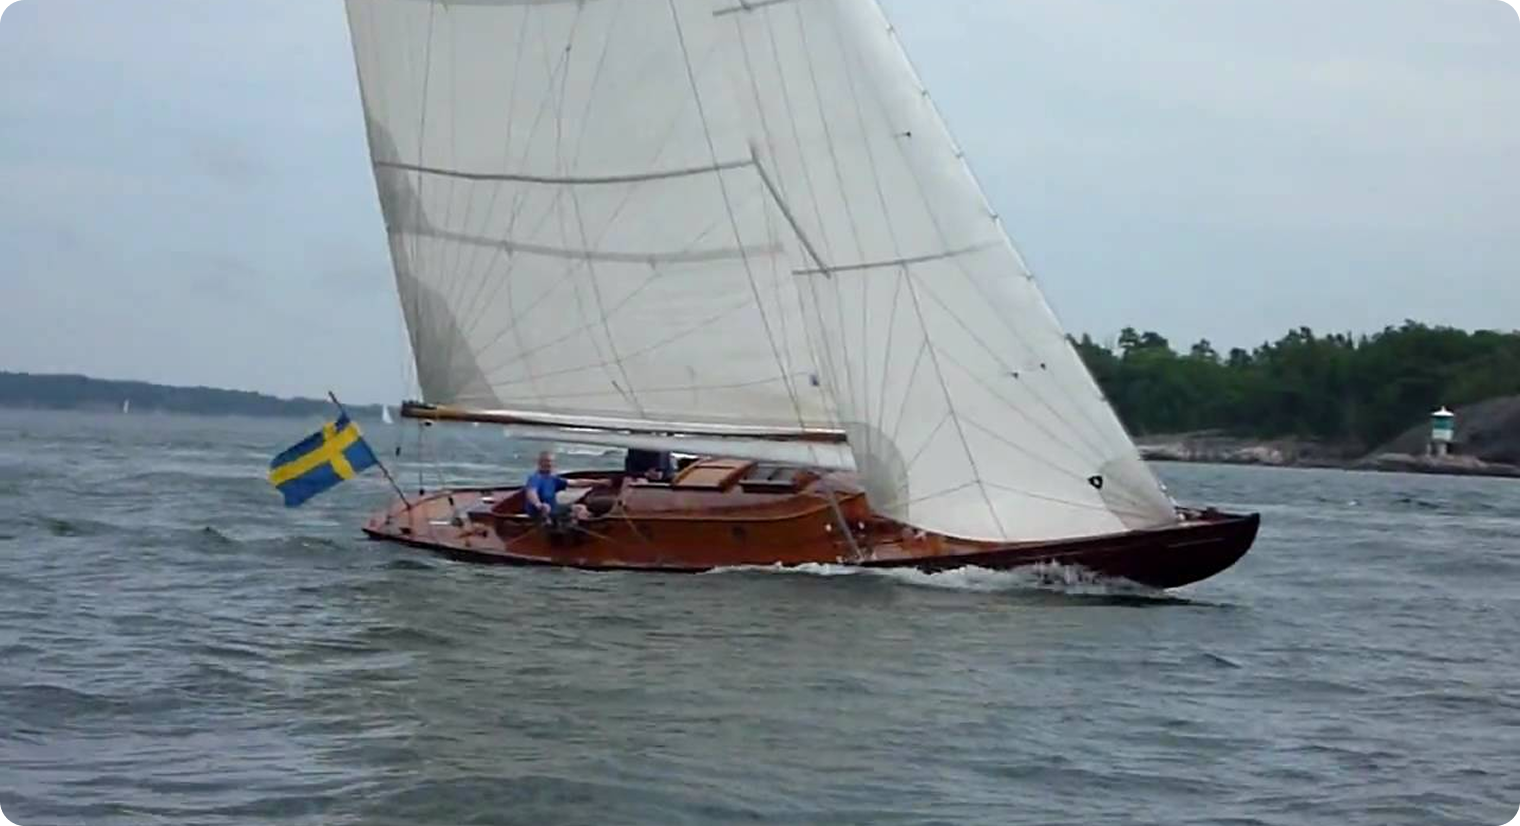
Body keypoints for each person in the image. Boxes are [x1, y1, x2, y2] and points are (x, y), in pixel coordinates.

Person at [523, 450, 569, 520]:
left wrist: (591, 482)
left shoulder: (553, 478)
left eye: (551, 461)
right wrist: (538, 504)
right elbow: (531, 492)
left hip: (553, 509)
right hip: (540, 512)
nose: (549, 464)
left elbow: (575, 482)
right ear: (540, 463)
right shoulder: (535, 478)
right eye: (547, 461)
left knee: (579, 508)